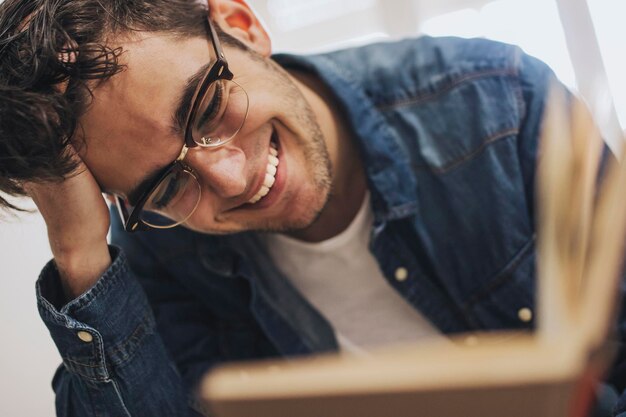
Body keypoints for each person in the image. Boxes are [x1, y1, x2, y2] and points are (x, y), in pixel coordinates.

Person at [0, 0, 624, 416]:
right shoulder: (158, 244)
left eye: (207, 108)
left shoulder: (497, 106)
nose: (231, 176)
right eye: (167, 185)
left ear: (241, 24)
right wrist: (80, 256)